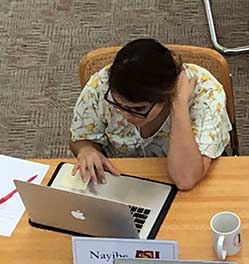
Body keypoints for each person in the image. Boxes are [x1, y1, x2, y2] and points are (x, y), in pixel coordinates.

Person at [70, 38, 232, 189]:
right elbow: (80, 138)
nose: (126, 115)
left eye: (138, 109)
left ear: (166, 95)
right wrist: (87, 150)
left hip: (181, 182)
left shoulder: (205, 94)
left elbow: (185, 179)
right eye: (117, 104)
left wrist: (178, 103)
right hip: (123, 179)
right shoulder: (101, 85)